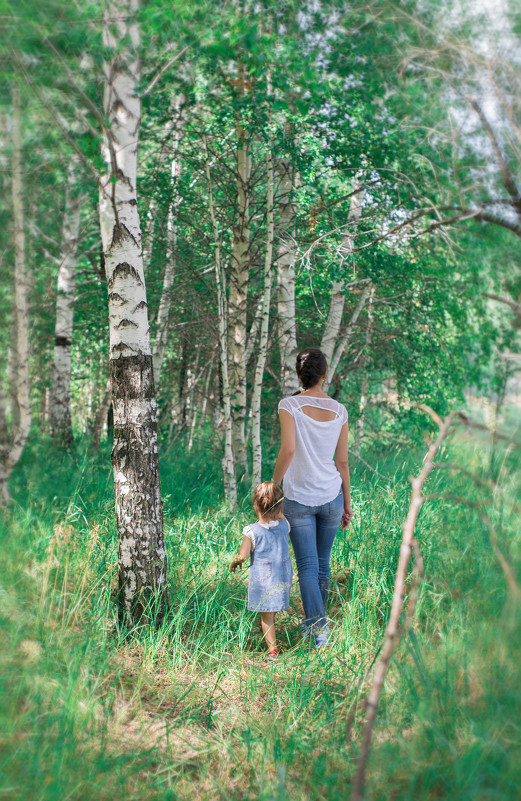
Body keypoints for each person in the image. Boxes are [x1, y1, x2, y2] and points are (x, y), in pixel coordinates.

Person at [272, 348, 353, 648]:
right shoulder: (340, 411)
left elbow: (289, 449)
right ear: (323, 374)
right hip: (331, 495)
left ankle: (318, 630)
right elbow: (342, 462)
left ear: (299, 374)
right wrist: (346, 502)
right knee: (322, 564)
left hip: (299, 498)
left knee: (307, 566)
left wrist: (273, 484)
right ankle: (314, 627)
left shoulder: (289, 405)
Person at [230, 481, 293, 659]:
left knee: (267, 617)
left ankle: (272, 651)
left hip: (264, 581)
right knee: (271, 612)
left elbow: (243, 554)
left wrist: (236, 562)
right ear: (279, 506)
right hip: (282, 577)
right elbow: (280, 517)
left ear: (255, 505)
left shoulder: (251, 531)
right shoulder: (284, 526)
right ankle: (271, 640)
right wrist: (278, 510)